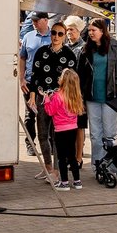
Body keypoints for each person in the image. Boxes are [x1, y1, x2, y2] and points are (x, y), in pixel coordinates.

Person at [78, 18, 117, 180]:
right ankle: (98, 165)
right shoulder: (85, 50)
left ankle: (113, 166)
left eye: (93, 30)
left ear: (103, 31)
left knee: (110, 134)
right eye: (89, 30)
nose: (90, 33)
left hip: (111, 98)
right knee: (96, 135)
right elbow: (79, 75)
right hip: (92, 99)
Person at [29, 20, 79, 179]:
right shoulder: (41, 51)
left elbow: (72, 80)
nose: (56, 36)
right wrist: (32, 95)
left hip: (60, 101)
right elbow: (34, 76)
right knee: (42, 134)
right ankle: (48, 167)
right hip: (42, 98)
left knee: (57, 136)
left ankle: (57, 171)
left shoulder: (69, 55)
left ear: (64, 36)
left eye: (60, 34)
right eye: (53, 33)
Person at [44, 68, 85, 191]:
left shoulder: (57, 96)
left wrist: (46, 99)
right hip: (73, 129)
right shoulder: (76, 97)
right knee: (72, 156)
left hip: (60, 130)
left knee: (61, 157)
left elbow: (50, 111)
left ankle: (64, 182)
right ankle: (77, 181)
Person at [18, 12, 51, 159]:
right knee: (29, 115)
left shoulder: (54, 36)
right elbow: (22, 57)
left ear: (45, 20)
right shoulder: (28, 36)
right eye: (33, 21)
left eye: (37, 21)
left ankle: (49, 143)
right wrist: (21, 78)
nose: (34, 23)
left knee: (48, 114)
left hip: (48, 84)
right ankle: (30, 144)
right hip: (30, 82)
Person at [63, 16, 88, 165]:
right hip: (65, 93)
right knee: (68, 126)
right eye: (67, 29)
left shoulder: (83, 48)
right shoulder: (65, 47)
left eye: (71, 29)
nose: (68, 32)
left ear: (79, 31)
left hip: (79, 93)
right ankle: (69, 155)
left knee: (79, 126)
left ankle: (79, 157)